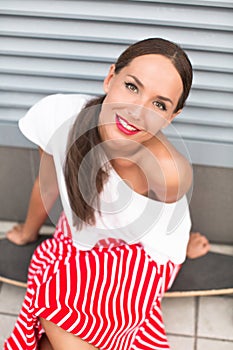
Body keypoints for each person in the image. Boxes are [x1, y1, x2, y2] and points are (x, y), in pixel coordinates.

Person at [5, 37, 209, 350]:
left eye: (159, 104)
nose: (136, 111)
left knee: (55, 298)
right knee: (48, 325)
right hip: (79, 236)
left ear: (171, 117)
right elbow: (46, 184)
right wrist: (27, 231)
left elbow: (164, 220)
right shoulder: (59, 113)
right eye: (131, 86)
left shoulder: (166, 169)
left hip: (140, 253)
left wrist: (184, 245)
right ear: (110, 77)